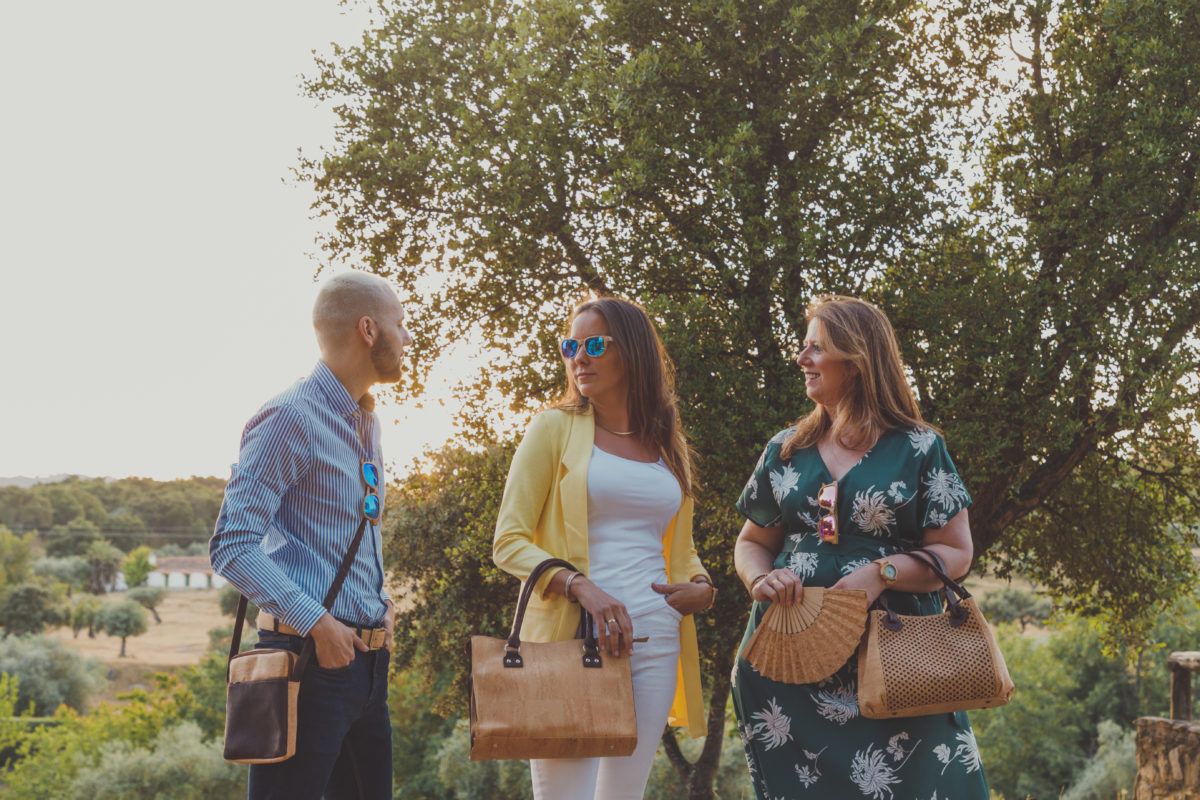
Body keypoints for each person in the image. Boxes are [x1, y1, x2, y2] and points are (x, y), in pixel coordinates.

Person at [731, 295, 990, 799]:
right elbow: (751, 542)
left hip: (899, 658)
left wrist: (882, 573)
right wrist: (761, 579)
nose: (801, 360)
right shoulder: (784, 450)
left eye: (815, 348)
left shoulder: (919, 447)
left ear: (856, 359)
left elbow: (957, 553)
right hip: (788, 658)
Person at [492, 296, 715, 800]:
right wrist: (580, 587)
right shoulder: (554, 429)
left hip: (654, 637)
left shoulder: (666, 442)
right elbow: (508, 541)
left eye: (594, 344)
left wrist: (701, 585)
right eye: (570, 345)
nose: (579, 357)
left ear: (631, 352)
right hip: (572, 639)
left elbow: (679, 546)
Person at [210, 271, 412, 800]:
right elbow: (232, 544)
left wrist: (380, 602)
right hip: (307, 660)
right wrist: (319, 623)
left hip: (367, 666)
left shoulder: (367, 423)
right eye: (401, 323)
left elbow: (348, 535)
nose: (407, 337)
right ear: (368, 329)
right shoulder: (289, 418)